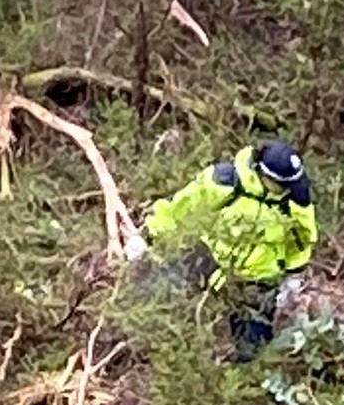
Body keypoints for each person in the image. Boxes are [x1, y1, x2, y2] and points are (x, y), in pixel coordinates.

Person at [135, 138, 320, 358]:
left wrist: (293, 276)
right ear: (262, 175)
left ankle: (242, 381)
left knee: (253, 347)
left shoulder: (296, 199)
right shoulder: (224, 182)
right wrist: (147, 236)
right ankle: (138, 347)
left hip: (258, 275)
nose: (288, 190)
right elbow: (181, 207)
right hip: (210, 255)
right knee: (155, 294)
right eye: (282, 185)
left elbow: (301, 239)